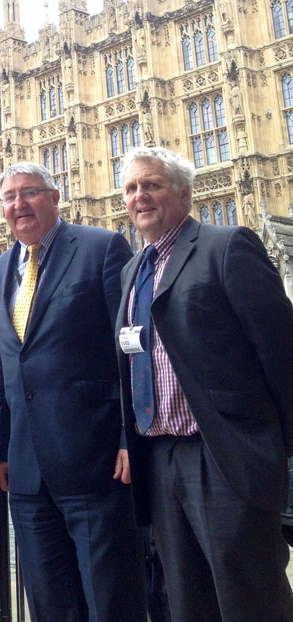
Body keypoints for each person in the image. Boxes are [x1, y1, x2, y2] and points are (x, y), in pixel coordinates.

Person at [117, 146, 293, 621]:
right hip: (160, 456)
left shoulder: (227, 245)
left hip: (223, 453)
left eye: (151, 184)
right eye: (131, 188)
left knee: (249, 595)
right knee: (186, 599)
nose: (140, 197)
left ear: (184, 194)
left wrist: (283, 456)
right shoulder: (134, 270)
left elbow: (281, 354)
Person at [0, 162, 146, 621]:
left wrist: (128, 435)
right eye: (9, 197)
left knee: (109, 598)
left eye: (30, 193)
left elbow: (130, 348)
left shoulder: (101, 247)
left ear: (56, 198)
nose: (19, 204)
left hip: (94, 459)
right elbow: (9, 363)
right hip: (26, 470)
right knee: (49, 602)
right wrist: (2, 447)